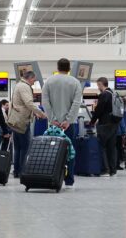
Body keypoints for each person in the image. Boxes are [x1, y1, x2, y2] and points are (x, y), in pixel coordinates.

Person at [42, 58, 82, 189]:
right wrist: (68, 120)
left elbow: (45, 102)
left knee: (51, 152)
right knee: (69, 152)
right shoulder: (75, 82)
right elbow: (76, 103)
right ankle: (69, 180)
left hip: (53, 125)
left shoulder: (49, 81)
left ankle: (51, 176)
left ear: (57, 67)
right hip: (69, 126)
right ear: (69, 68)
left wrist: (52, 119)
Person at [11, 71, 47, 178]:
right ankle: (22, 171)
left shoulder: (19, 85)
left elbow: (23, 105)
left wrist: (34, 114)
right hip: (22, 121)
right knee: (25, 147)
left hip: (15, 120)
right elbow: (28, 103)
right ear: (30, 78)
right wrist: (40, 113)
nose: (34, 82)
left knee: (18, 148)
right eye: (33, 80)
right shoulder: (24, 87)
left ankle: (17, 171)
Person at [90, 77, 119, 177]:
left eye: (98, 85)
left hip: (105, 124)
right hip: (114, 123)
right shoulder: (114, 93)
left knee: (101, 146)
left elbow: (99, 110)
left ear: (102, 84)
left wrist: (92, 121)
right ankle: (113, 170)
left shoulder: (104, 94)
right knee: (111, 147)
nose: (98, 87)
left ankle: (105, 170)